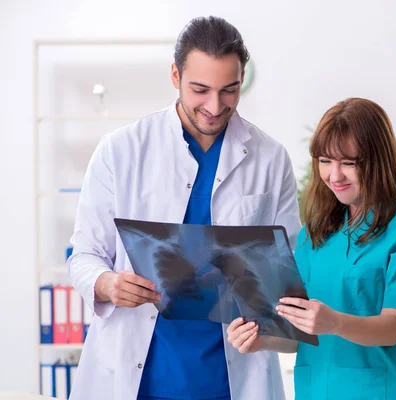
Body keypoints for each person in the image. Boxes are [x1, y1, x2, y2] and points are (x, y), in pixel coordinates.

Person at [67, 16, 300, 400]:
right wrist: (107, 283)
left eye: (229, 90)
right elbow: (85, 255)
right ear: (175, 76)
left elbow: (288, 268)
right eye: (200, 89)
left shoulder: (270, 159)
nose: (214, 106)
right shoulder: (121, 150)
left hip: (232, 378)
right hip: (138, 376)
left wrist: (272, 319)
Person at [227, 97, 396, 399]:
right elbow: (296, 336)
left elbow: (393, 328)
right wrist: (260, 339)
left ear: (378, 160)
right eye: (325, 161)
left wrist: (334, 322)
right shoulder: (315, 231)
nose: (334, 175)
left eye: (349, 163)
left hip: (382, 391)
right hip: (316, 390)